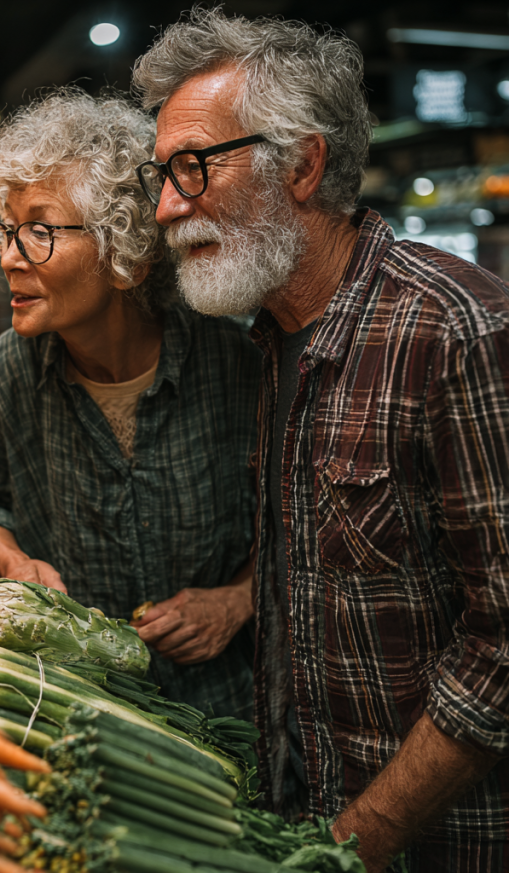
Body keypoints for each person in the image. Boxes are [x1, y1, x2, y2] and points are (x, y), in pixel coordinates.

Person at [132, 9, 509, 872]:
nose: (162, 208)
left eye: (190, 168)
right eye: (161, 175)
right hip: (301, 819)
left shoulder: (453, 329)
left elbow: (500, 647)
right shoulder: (268, 338)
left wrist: (358, 837)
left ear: (301, 164)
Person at [0, 89, 261, 718]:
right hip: (77, 712)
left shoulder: (238, 364)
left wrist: (236, 601)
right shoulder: (11, 369)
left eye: (39, 231)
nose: (9, 257)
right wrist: (11, 559)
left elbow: (296, 527)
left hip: (231, 711)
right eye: (6, 231)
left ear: (129, 255)